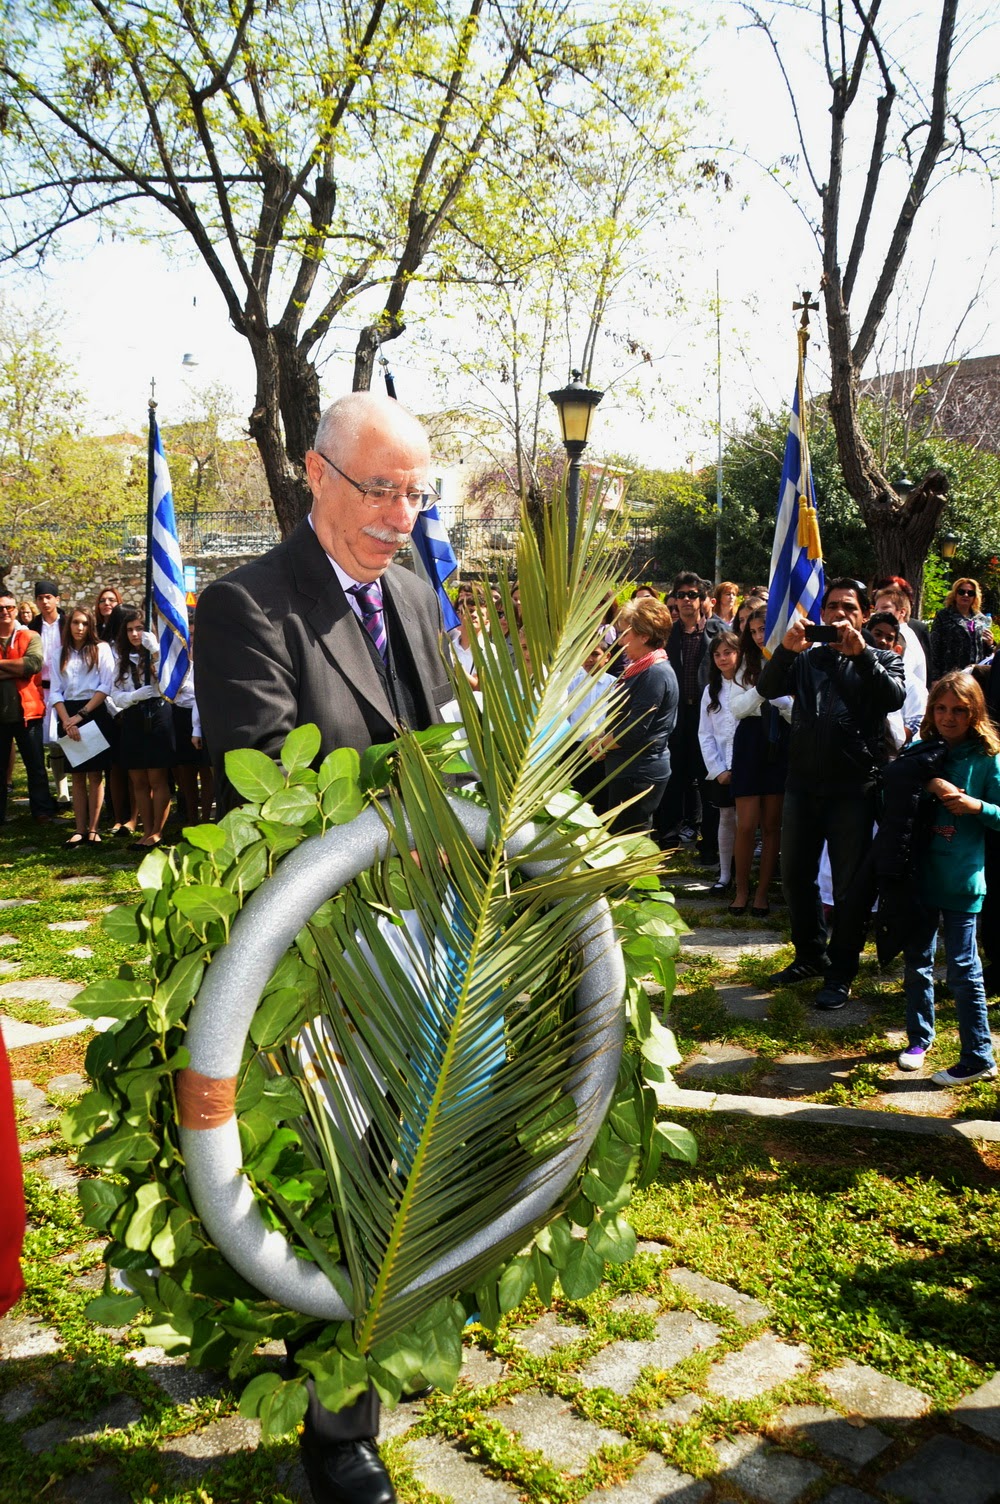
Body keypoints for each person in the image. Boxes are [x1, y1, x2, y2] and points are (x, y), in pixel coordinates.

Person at [196, 391, 453, 1504]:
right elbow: (261, 785)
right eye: (379, 489)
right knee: (341, 1172)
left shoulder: (414, 588)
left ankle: (370, 1334)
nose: (401, 516)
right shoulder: (246, 606)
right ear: (316, 474)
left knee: (406, 1160)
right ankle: (338, 1427)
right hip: (323, 954)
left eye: (416, 492)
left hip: (429, 935)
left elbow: (439, 744)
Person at [758, 578, 905, 1010]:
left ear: (863, 615)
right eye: (832, 607)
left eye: (848, 607)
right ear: (822, 614)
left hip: (852, 789)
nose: (839, 614)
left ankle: (841, 970)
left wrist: (862, 658)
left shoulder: (881, 657)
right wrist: (785, 649)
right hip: (802, 785)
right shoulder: (807, 659)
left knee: (848, 888)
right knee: (797, 877)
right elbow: (766, 689)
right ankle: (810, 956)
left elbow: (894, 698)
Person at [895, 672, 999, 1085]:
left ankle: (978, 1054)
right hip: (920, 873)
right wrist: (924, 783)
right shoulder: (922, 751)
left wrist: (976, 806)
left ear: (975, 712)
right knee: (917, 960)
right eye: (941, 708)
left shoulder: (987, 756)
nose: (949, 717)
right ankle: (920, 1038)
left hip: (961, 876)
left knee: (962, 966)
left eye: (959, 710)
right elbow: (891, 797)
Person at [590, 596, 678, 835]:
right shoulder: (642, 669)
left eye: (625, 634)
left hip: (638, 772)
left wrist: (601, 745)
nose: (620, 642)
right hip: (627, 770)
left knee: (628, 843)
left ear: (644, 636)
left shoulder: (654, 673)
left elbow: (635, 729)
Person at [729, 605, 791, 917]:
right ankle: (740, 889)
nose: (757, 636)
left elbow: (797, 712)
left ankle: (762, 894)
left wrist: (779, 701)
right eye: (752, 631)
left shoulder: (793, 660)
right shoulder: (745, 662)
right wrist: (763, 691)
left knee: (771, 825)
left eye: (762, 630)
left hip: (780, 741)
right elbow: (737, 708)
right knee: (746, 824)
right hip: (750, 741)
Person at [657, 572, 724, 855]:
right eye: (681, 595)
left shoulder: (717, 631)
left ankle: (709, 844)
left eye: (692, 594)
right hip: (675, 716)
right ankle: (669, 841)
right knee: (673, 778)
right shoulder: (667, 633)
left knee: (708, 779)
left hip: (708, 715)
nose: (686, 600)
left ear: (704, 599)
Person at [109, 609, 175, 848]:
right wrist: (134, 696)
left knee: (157, 777)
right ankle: (146, 830)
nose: (135, 634)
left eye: (139, 628)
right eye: (130, 630)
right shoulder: (122, 660)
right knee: (138, 779)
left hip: (157, 714)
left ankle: (157, 831)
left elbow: (172, 682)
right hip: (134, 717)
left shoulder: (161, 655)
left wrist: (156, 652)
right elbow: (115, 696)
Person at [49, 606, 114, 846]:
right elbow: (55, 690)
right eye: (76, 623)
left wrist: (82, 715)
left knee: (95, 775)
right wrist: (66, 720)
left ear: (91, 626)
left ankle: (95, 828)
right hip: (67, 713)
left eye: (85, 624)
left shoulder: (101, 649)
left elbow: (105, 686)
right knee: (77, 775)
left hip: (93, 710)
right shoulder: (58, 654)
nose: (79, 628)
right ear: (69, 625)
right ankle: (79, 828)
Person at [0, 590, 57, 827]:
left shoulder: (30, 636)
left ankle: (42, 811)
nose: (5, 612)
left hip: (27, 710)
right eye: (1, 608)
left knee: (36, 766)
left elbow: (33, 664)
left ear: (16, 609)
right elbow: (23, 666)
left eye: (10, 607)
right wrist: (16, 667)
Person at [698, 631, 740, 895]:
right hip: (723, 768)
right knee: (726, 817)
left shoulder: (749, 685)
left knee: (749, 822)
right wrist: (718, 770)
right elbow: (705, 734)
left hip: (748, 766)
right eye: (717, 654)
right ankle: (725, 875)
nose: (723, 658)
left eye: (728, 652)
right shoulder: (710, 691)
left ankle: (745, 875)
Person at [30, 578, 70, 805]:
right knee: (51, 741)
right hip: (41, 689)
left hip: (66, 687)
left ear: (57, 598)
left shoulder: (67, 623)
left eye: (48, 597)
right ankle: (61, 790)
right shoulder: (32, 627)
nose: (44, 602)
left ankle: (83, 787)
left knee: (69, 737)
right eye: (40, 598)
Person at [929, 577, 994, 683]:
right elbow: (934, 648)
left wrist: (990, 644)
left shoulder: (982, 619)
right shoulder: (943, 616)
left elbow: (987, 653)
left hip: (975, 677)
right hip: (950, 675)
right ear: (955, 595)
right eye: (961, 592)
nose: (966, 595)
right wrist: (935, 678)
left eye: (970, 593)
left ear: (975, 597)